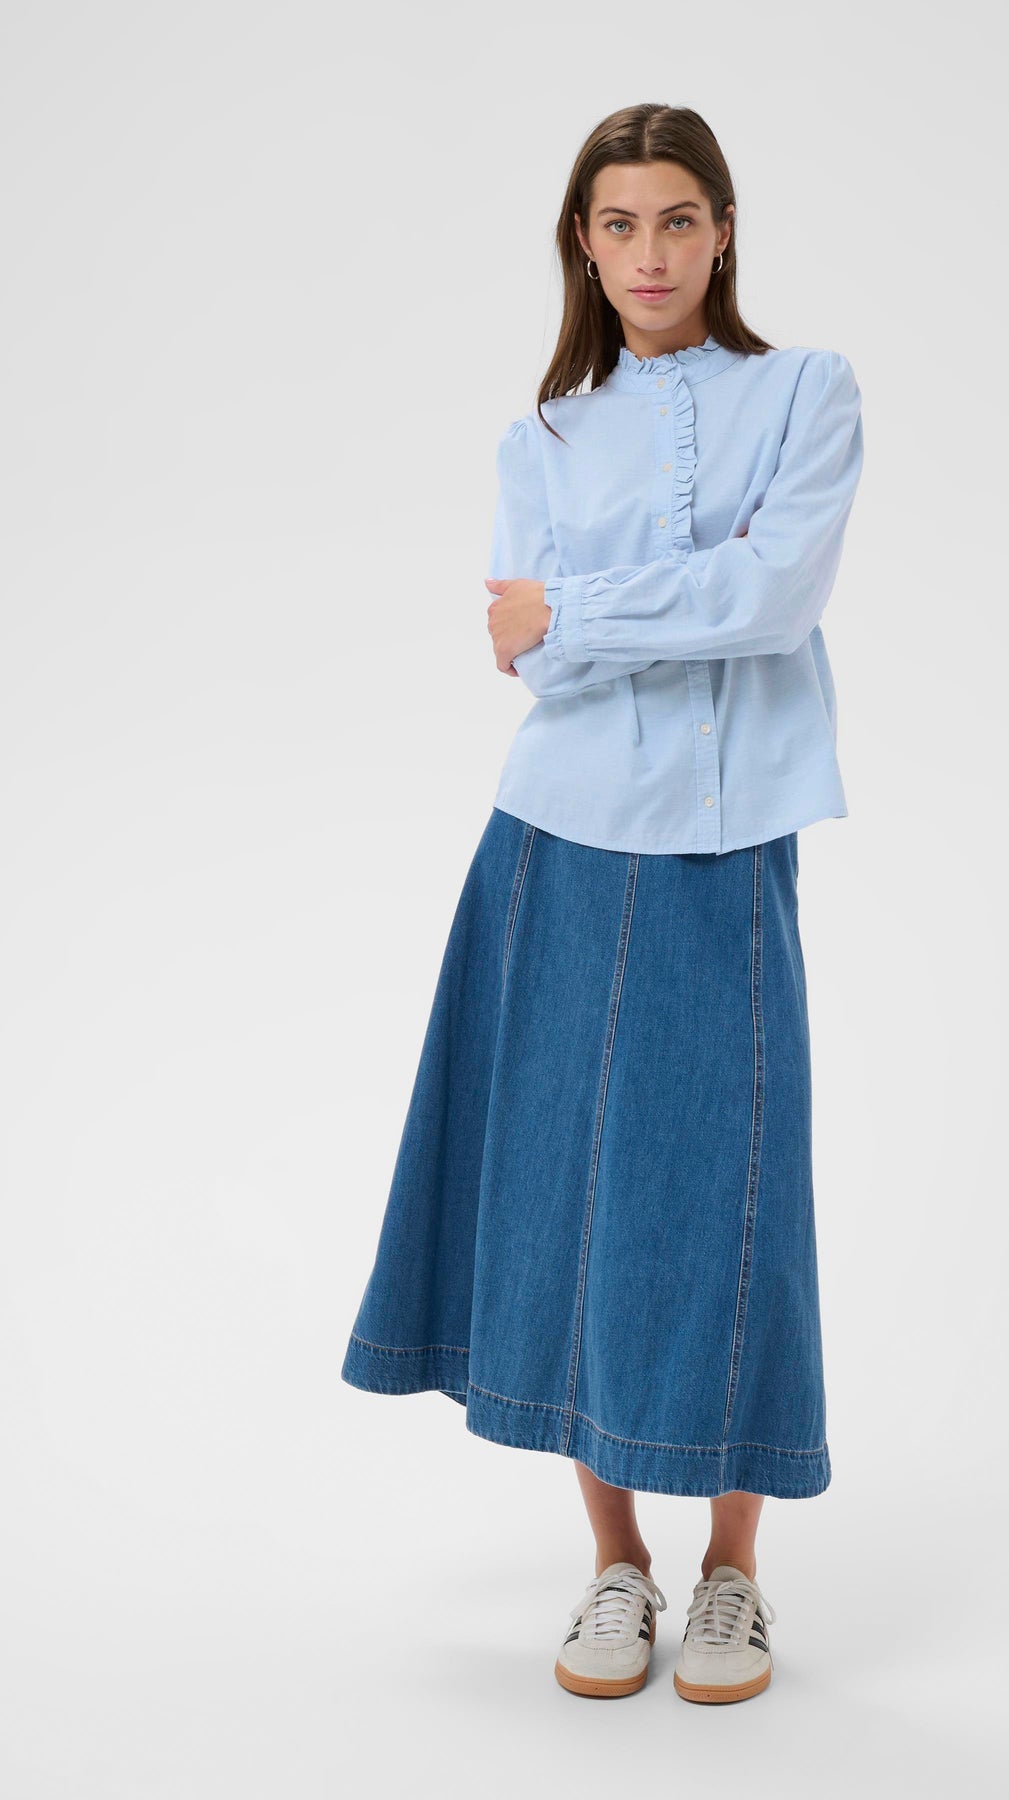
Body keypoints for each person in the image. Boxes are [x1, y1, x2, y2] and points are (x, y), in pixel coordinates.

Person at [340, 101, 865, 1706]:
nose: (651, 253)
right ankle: (617, 1564)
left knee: (727, 1205)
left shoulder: (807, 391)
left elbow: (775, 598)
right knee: (570, 1197)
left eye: (679, 219)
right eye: (620, 224)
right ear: (583, 242)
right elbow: (532, 664)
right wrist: (605, 618)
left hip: (727, 846)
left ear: (725, 231)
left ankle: (734, 1575)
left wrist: (574, 604)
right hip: (553, 844)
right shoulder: (544, 440)